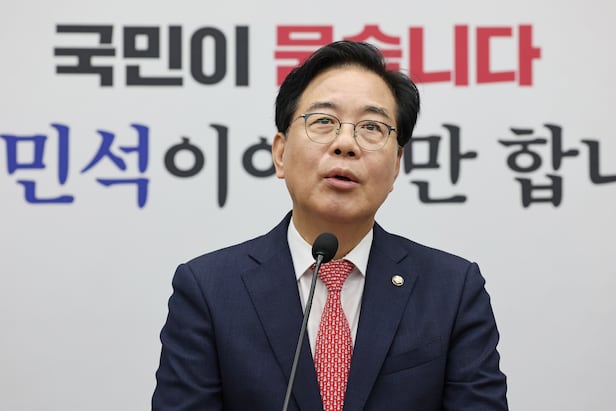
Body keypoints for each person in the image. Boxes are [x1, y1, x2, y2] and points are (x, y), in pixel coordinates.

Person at [152, 40, 508, 410]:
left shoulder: (452, 290)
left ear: (396, 166)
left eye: (372, 127)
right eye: (323, 121)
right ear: (280, 153)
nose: (346, 143)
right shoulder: (209, 290)